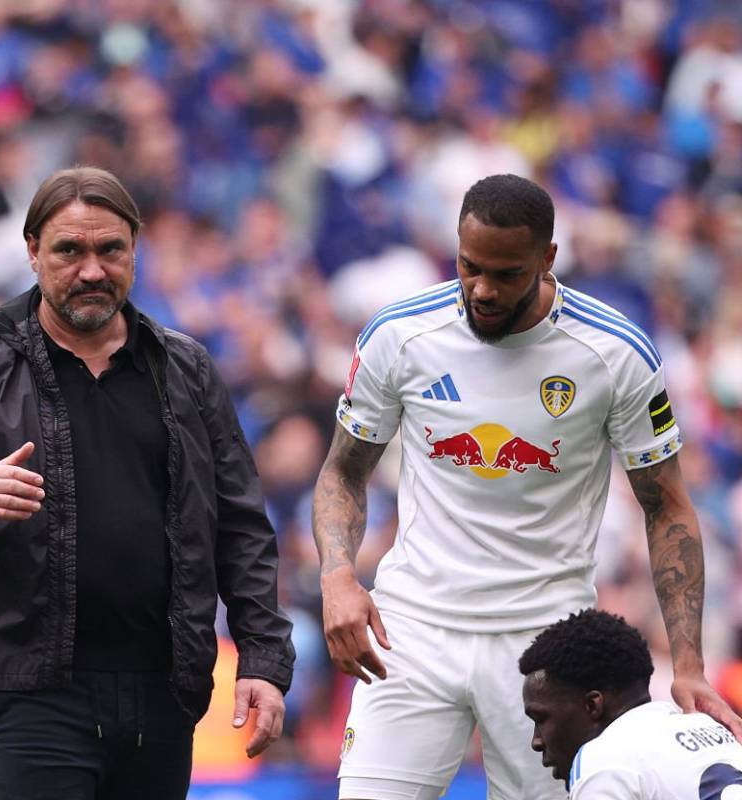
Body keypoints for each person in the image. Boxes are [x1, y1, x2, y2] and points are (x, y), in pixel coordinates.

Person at [311, 173, 742, 800]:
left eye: (506, 274)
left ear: (547, 259)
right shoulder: (399, 335)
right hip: (411, 632)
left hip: (547, 649)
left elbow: (666, 506)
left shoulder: (614, 353)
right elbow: (343, 471)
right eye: (468, 266)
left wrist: (690, 665)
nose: (481, 290)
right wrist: (338, 578)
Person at [0, 165, 295, 800]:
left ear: (135, 251)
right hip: (31, 692)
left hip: (164, 692)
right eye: (69, 250)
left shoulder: (185, 367)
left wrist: (263, 658)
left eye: (110, 249)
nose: (92, 269)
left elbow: (241, 525)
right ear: (32, 252)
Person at [520, 608, 742, 799]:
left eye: (541, 719)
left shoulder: (603, 759)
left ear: (592, 706)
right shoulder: (707, 727)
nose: (536, 741)